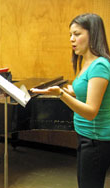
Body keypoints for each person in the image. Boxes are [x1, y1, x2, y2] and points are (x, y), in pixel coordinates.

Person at [31, 13, 110, 188]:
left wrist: (61, 94)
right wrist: (73, 92)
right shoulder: (87, 63)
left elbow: (91, 112)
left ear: (93, 34)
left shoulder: (100, 65)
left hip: (95, 140)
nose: (71, 39)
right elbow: (89, 94)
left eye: (77, 34)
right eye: (70, 35)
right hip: (85, 136)